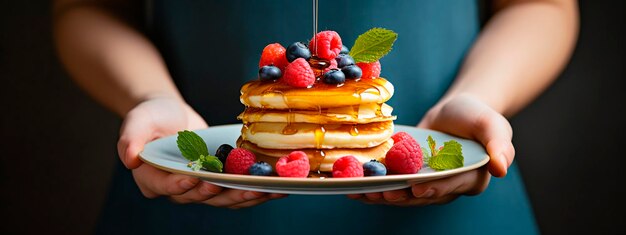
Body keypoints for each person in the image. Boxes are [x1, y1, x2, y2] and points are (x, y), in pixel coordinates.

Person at [53, 0, 578, 234]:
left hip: (449, 177)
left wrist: (481, 95)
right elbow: (86, 6)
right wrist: (149, 94)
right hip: (188, 179)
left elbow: (544, 5)